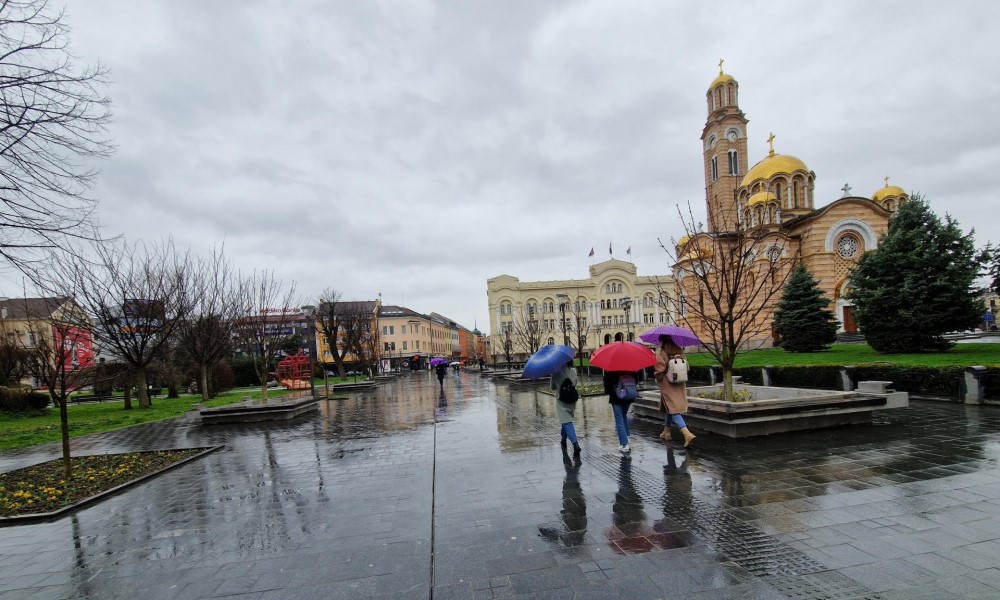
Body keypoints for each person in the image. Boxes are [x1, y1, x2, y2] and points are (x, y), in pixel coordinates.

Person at [654, 334, 696, 447]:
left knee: (673, 409)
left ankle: (686, 433)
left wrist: (658, 377)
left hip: (667, 383)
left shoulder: (660, 351)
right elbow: (687, 367)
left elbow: (659, 370)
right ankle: (666, 432)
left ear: (661, 340)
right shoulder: (679, 350)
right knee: (670, 406)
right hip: (680, 382)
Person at [550, 359, 581, 457]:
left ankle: (575, 444)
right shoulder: (573, 370)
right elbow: (575, 384)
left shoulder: (556, 372)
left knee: (567, 422)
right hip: (572, 399)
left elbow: (552, 387)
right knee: (565, 420)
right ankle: (563, 440)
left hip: (561, 400)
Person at [604, 370, 637, 453]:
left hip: (616, 398)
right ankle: (627, 437)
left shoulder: (610, 369)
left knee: (619, 419)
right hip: (628, 396)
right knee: (624, 416)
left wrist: (612, 391)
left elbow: (607, 385)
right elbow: (636, 380)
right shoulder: (630, 366)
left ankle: (624, 444)